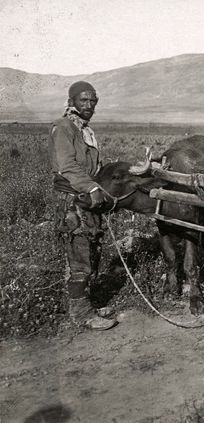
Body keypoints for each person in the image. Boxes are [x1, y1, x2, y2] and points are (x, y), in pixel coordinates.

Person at [49, 81, 117, 330]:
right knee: (79, 257)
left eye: (93, 101)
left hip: (87, 198)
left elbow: (91, 167)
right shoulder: (64, 127)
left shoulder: (84, 130)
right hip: (72, 200)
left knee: (91, 250)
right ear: (71, 102)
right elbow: (66, 166)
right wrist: (92, 187)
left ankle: (87, 303)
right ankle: (81, 314)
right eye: (83, 100)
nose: (89, 105)